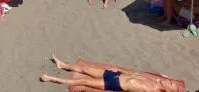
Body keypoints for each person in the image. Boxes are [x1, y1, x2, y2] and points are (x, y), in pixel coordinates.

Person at [40, 55, 180, 92]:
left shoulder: (154, 90)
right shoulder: (155, 80)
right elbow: (135, 73)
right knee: (86, 69)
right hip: (116, 75)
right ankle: (62, 65)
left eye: (171, 83)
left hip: (115, 84)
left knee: (83, 82)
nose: (169, 80)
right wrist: (119, 70)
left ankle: (51, 78)